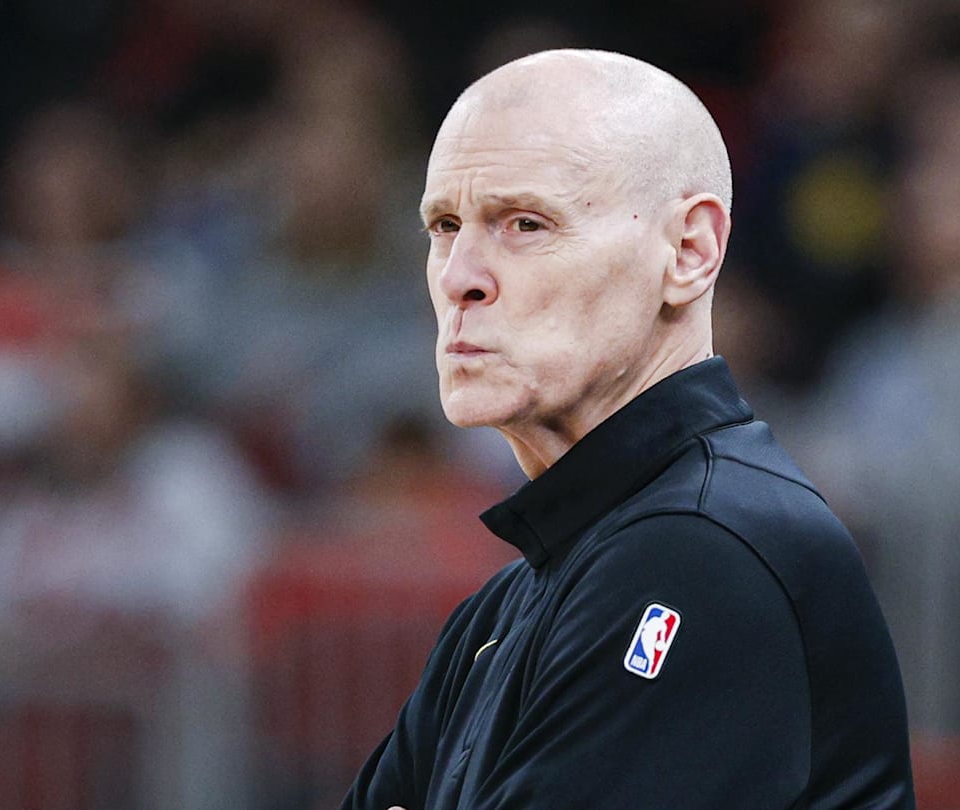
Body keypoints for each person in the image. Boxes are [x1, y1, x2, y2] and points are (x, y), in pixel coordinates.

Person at [339, 49, 914, 809]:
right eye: (445, 225)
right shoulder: (507, 604)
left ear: (689, 251)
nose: (458, 276)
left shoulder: (705, 551)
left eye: (525, 223)